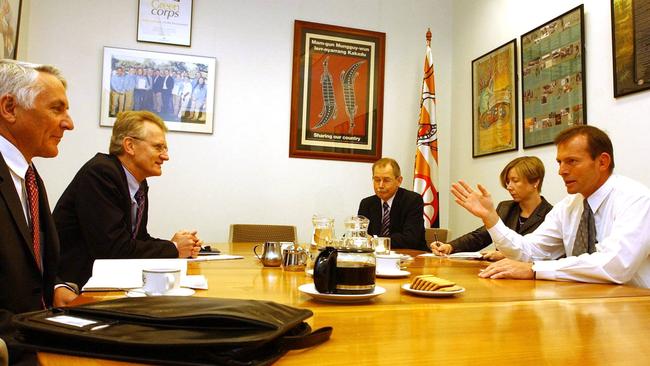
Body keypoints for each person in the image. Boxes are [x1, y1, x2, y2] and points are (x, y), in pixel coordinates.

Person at [451, 125, 650, 288]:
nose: (561, 171)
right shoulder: (569, 206)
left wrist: (535, 269)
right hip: (581, 304)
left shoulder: (636, 199)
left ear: (602, 162)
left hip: (634, 308)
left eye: (572, 161)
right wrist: (491, 219)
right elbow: (530, 251)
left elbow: (615, 265)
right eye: (560, 162)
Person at [54, 110, 202, 287]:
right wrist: (174, 248)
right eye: (158, 147)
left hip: (105, 280)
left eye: (165, 148)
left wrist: (180, 244)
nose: (165, 156)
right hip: (72, 285)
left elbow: (138, 239)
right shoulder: (101, 173)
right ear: (130, 145)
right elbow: (113, 250)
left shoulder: (139, 183)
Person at [0, 59, 76, 364]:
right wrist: (37, 334)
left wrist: (55, 287)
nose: (69, 123)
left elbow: (28, 265)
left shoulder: (28, 175)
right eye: (56, 109)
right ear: (9, 108)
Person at [431, 156, 552, 261]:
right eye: (507, 182)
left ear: (535, 181)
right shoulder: (506, 207)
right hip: (499, 274)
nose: (509, 187)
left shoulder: (551, 215)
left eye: (515, 181)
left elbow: (547, 254)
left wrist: (505, 255)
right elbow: (481, 236)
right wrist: (449, 247)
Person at [358, 158, 427, 251]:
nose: (381, 185)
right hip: (374, 257)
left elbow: (410, 239)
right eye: (377, 180)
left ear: (399, 181)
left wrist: (375, 240)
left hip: (411, 257)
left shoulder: (412, 200)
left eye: (386, 180)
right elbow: (360, 234)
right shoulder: (366, 203)